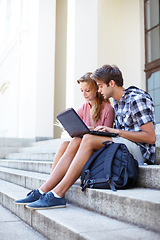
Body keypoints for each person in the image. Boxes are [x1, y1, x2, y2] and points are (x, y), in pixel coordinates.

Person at [14, 64, 156, 210]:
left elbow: (150, 138)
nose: (99, 90)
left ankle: (58, 194)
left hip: (139, 152)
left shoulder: (136, 99)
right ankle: (42, 191)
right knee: (77, 139)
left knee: (88, 139)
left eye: (100, 86)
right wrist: (105, 131)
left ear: (111, 83)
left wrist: (115, 131)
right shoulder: (118, 102)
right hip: (122, 145)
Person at [50, 72, 114, 173]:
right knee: (64, 144)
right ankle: (52, 178)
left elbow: (107, 136)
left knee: (76, 141)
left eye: (87, 90)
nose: (84, 94)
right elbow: (76, 127)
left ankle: (58, 181)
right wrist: (70, 127)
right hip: (83, 145)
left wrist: (90, 130)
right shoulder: (83, 107)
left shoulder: (108, 109)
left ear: (97, 89)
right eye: (81, 91)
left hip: (98, 148)